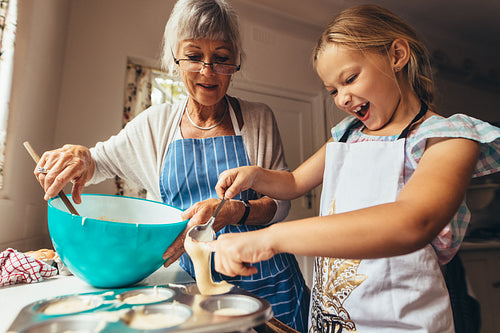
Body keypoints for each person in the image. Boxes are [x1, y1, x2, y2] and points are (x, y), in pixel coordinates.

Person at [211, 4, 500, 333]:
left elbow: (413, 221)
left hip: (399, 323)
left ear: (397, 55)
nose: (342, 99)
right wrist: (256, 175)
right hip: (332, 321)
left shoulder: (448, 137)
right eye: (333, 90)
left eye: (350, 79)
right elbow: (293, 182)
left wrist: (271, 238)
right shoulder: (347, 135)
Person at [33, 0, 309, 331]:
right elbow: (96, 162)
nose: (208, 71)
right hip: (191, 285)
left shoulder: (257, 119)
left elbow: (280, 205)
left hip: (269, 283)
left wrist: (235, 211)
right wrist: (79, 156)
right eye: (194, 56)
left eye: (221, 59)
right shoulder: (155, 124)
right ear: (175, 59)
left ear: (235, 63)